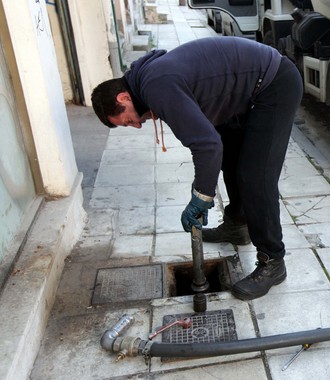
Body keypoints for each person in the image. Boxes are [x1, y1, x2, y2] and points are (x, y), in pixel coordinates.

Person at [91, 36, 303, 300]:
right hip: (248, 91)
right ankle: (238, 225)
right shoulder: (147, 82)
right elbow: (212, 142)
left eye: (127, 120)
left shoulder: (156, 86)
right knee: (232, 159)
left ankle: (273, 261)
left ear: (123, 97)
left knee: (255, 176)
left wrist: (201, 197)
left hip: (274, 85)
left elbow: (206, 145)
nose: (136, 125)